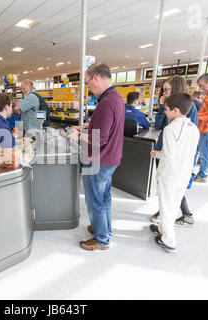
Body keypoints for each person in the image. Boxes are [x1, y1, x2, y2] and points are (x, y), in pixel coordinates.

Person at [68, 63, 125, 251]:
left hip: (98, 160)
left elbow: (99, 139)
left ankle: (101, 239)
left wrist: (78, 135)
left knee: (95, 201)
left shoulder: (106, 103)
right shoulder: (115, 98)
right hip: (111, 158)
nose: (88, 88)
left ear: (97, 78)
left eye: (87, 83)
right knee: (104, 197)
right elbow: (104, 127)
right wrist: (85, 127)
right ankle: (104, 229)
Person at [149, 93, 200, 252]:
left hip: (170, 174)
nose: (165, 112)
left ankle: (169, 240)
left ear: (176, 110)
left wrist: (154, 153)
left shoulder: (171, 129)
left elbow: (167, 155)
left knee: (166, 206)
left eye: (167, 109)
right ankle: (164, 230)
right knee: (173, 204)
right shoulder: (194, 128)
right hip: (184, 174)